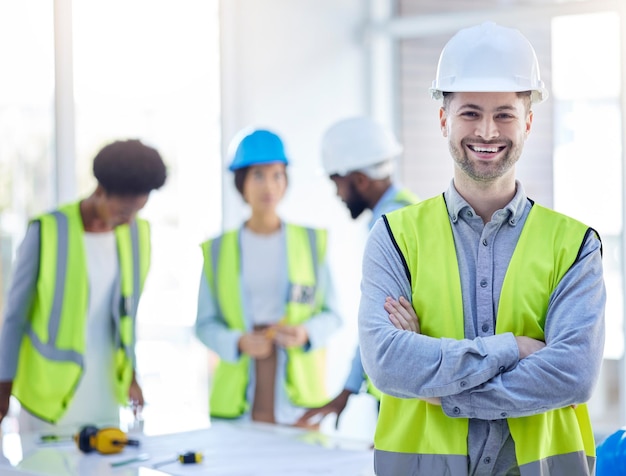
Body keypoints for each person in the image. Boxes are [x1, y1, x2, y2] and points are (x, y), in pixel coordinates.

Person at [358, 22, 606, 475]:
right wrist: (514, 347)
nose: (488, 132)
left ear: (528, 121)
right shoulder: (395, 236)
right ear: (443, 120)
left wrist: (435, 380)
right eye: (470, 113)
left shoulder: (575, 246)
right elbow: (388, 364)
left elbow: (573, 374)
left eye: (505, 114)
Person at [0, 139, 167, 434]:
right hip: (48, 394)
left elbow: (126, 316)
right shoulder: (48, 230)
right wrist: (4, 384)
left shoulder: (137, 234)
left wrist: (132, 374)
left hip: (105, 388)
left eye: (136, 212)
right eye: (122, 213)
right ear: (99, 192)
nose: (129, 222)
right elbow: (14, 317)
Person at [194, 128, 341, 427]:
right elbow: (204, 324)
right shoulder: (219, 250)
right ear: (241, 183)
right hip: (239, 393)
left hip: (300, 395)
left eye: (277, 175)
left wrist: (305, 333)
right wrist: (238, 342)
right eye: (258, 175)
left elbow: (333, 314)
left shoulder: (311, 243)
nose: (269, 185)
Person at [297, 116, 419, 428]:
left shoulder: (389, 226)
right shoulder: (411, 213)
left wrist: (348, 389)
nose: (337, 194)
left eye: (336, 182)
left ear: (360, 180)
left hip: (404, 393)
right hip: (408, 387)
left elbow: (377, 321)